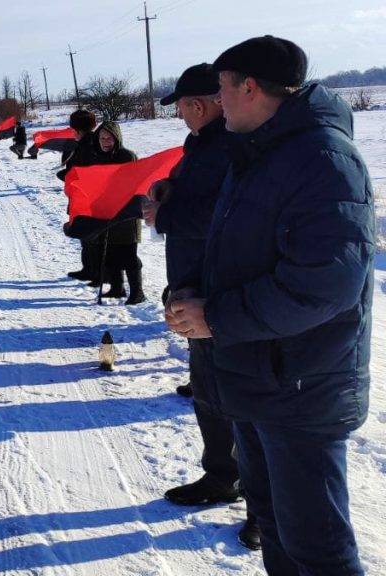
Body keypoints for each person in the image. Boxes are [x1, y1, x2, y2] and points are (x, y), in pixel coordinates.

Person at [166, 36, 374, 575]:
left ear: (250, 88)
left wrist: (216, 316)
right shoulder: (258, 151)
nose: (217, 100)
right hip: (257, 378)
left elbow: (324, 285)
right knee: (275, 526)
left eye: (222, 88)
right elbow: (235, 248)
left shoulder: (323, 160)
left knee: (318, 550)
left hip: (301, 386)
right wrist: (193, 291)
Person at [143, 63, 259, 549]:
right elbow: (197, 196)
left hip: (222, 292)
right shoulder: (201, 146)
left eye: (183, 107)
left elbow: (223, 214)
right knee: (209, 391)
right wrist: (168, 191)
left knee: (243, 401)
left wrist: (164, 213)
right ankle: (221, 476)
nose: (181, 116)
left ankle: (263, 508)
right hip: (194, 286)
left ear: (199, 104)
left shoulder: (231, 146)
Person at [89, 121, 145, 305]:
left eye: (109, 138)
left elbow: (133, 183)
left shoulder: (127, 156)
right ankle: (117, 287)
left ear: (117, 138)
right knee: (110, 251)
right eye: (102, 138)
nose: (105, 141)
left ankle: (137, 292)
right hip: (106, 211)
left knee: (128, 254)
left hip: (127, 213)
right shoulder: (97, 157)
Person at [58, 109, 100, 285]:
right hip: (85, 196)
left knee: (90, 235)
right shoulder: (88, 143)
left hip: (87, 198)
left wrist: (66, 175)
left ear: (77, 129)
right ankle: (88, 269)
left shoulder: (86, 147)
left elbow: (83, 173)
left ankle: (95, 272)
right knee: (86, 236)